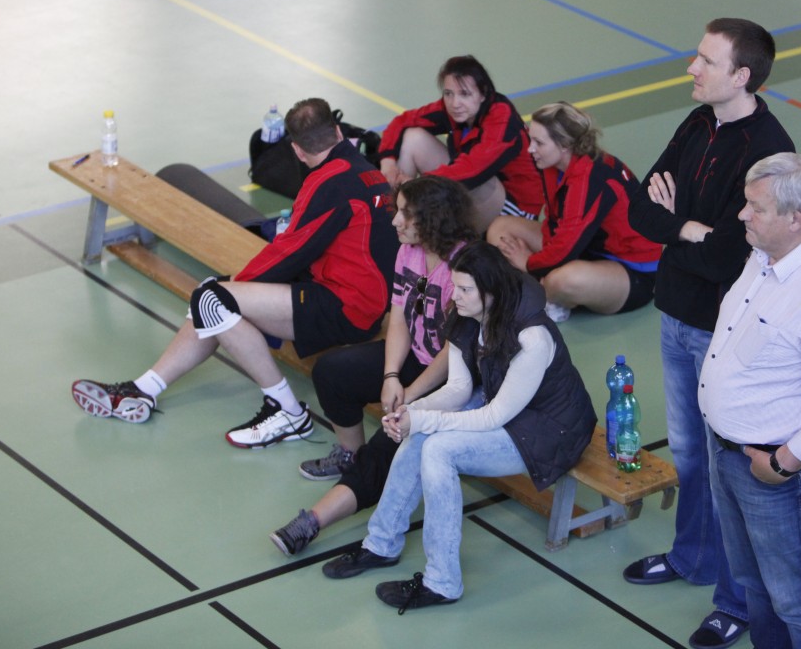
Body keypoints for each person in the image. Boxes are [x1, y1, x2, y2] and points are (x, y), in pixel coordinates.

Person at [70, 98, 399, 448]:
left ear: (297, 151)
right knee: (214, 297)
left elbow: (290, 252)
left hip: (346, 308)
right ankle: (143, 390)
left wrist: (236, 286)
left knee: (213, 299)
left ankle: (287, 411)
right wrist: (232, 289)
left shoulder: (328, 182)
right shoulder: (366, 170)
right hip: (360, 299)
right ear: (337, 131)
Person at [624, 18, 795, 649]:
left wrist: (681, 227)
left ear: (741, 76)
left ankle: (738, 602)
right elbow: (641, 209)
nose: (691, 69)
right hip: (674, 315)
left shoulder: (770, 153)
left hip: (722, 334)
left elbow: (727, 256)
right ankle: (693, 557)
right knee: (690, 455)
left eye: (705, 61)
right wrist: (687, 229)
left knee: (730, 470)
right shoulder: (698, 123)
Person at [321, 241, 596, 613]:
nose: (455, 295)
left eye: (465, 289)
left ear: (491, 291)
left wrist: (423, 419)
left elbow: (493, 417)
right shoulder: (468, 313)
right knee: (422, 435)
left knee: (439, 449)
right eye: (456, 286)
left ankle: (442, 582)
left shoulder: (533, 338)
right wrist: (411, 412)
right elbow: (459, 388)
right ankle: (381, 544)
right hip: (507, 406)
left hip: (551, 431)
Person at [700, 153, 801, 649]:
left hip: (775, 471)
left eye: (756, 208)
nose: (742, 215)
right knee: (754, 585)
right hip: (729, 452)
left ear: (796, 218)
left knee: (798, 600)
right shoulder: (764, 256)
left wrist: (782, 463)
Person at [269, 176, 477, 556]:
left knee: (388, 444)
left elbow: (455, 351)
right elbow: (398, 316)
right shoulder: (409, 251)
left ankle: (313, 521)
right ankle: (350, 454)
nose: (395, 221)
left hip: (453, 377)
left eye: (405, 214)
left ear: (432, 218)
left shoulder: (464, 267)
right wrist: (391, 375)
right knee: (332, 372)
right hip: (415, 358)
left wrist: (410, 395)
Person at [486, 101, 659, 322]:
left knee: (561, 280)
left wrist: (529, 263)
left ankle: (550, 294)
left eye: (539, 143)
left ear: (565, 145)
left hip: (633, 272)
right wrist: (538, 263)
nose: (530, 149)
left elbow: (566, 246)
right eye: (531, 140)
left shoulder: (591, 178)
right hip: (587, 248)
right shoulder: (553, 164)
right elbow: (554, 223)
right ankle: (542, 288)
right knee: (500, 228)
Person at [376, 55, 543, 229]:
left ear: (483, 93)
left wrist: (418, 185)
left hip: (515, 208)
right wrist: (388, 162)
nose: (455, 103)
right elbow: (402, 121)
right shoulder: (453, 109)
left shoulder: (501, 118)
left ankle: (434, 230)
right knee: (413, 138)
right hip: (473, 191)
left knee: (477, 177)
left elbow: (473, 170)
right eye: (448, 93)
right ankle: (392, 223)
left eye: (465, 94)